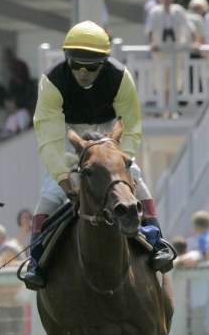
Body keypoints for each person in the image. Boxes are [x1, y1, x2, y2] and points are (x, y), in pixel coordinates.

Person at [22, 21, 176, 289]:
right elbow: (49, 135)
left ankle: (156, 241)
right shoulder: (52, 80)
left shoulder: (120, 76)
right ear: (66, 59)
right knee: (48, 198)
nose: (83, 72)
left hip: (109, 137)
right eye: (76, 65)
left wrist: (121, 162)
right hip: (68, 138)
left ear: (104, 62)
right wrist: (63, 178)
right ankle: (36, 261)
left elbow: (131, 124)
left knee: (138, 183)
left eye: (91, 67)